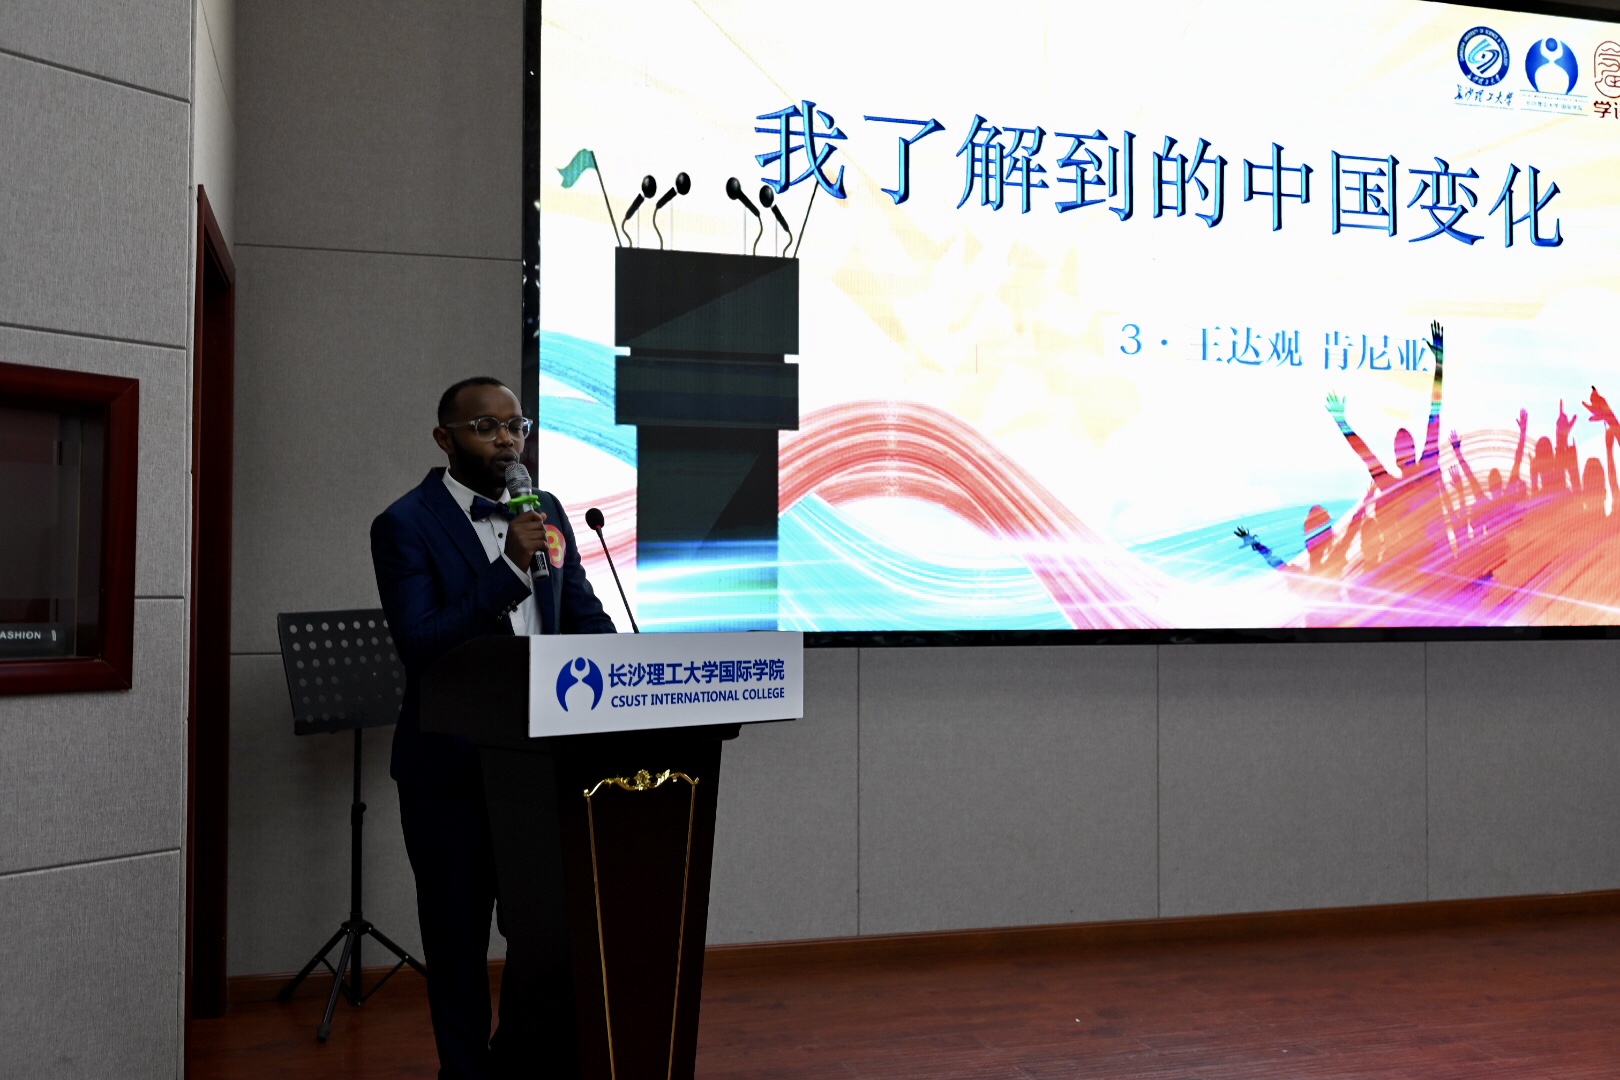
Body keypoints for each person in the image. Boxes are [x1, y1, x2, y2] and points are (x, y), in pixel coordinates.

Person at [370, 376, 615, 1078]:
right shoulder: (405, 524)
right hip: (450, 773)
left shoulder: (548, 510)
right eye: (487, 427)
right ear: (444, 439)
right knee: (457, 944)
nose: (508, 440)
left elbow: (579, 614)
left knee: (546, 937)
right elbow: (422, 644)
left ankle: (516, 1065)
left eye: (517, 426)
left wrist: (631, 670)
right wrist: (508, 567)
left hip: (545, 769)